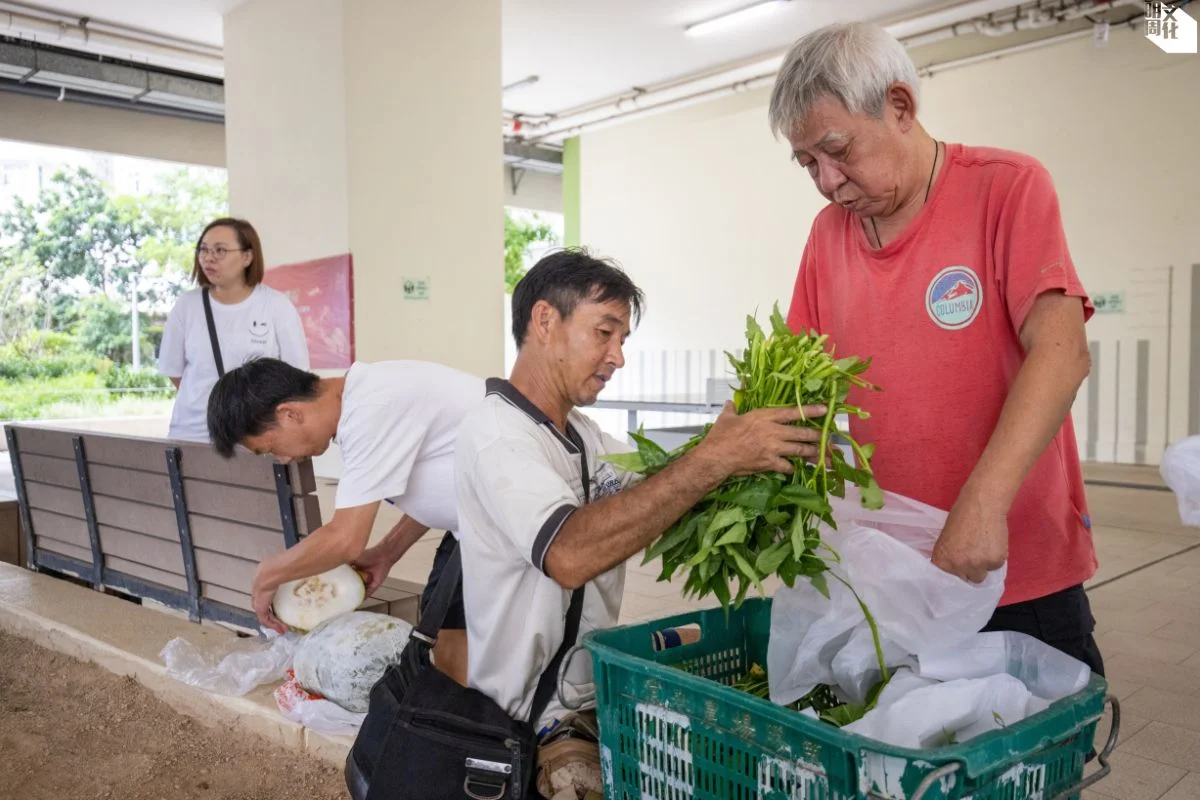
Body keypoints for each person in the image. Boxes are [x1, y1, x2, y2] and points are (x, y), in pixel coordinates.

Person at [768, 22, 1103, 674]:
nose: (827, 181)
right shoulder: (827, 237)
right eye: (808, 163)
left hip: (1011, 561)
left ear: (899, 107)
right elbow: (798, 387)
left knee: (1033, 760)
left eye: (838, 150)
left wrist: (982, 505)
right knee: (910, 758)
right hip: (896, 577)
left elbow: (1062, 353)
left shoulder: (1006, 188)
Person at [455, 249, 826, 795]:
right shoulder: (499, 436)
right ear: (544, 321)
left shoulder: (582, 434)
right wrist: (717, 457)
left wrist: (745, 454)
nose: (617, 357)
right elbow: (569, 555)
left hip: (594, 694)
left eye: (622, 339)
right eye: (604, 333)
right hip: (536, 720)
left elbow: (655, 493)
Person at [206, 356, 482, 685]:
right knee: (446, 649)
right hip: (476, 527)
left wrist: (267, 576)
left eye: (269, 449)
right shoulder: (364, 401)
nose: (281, 459)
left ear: (289, 414)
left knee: (469, 662)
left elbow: (345, 539)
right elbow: (445, 482)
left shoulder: (369, 409)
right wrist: (387, 552)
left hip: (516, 530)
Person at [157, 217, 309, 443]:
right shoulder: (187, 306)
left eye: (220, 250)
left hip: (254, 436)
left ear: (247, 256)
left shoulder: (276, 306)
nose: (209, 257)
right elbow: (174, 372)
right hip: (193, 435)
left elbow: (297, 376)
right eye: (204, 249)